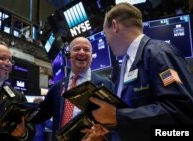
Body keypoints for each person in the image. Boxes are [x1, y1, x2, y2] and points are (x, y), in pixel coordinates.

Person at [86, 2, 193, 141]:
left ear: (115, 26)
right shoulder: (124, 65)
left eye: (106, 35)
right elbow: (134, 114)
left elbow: (182, 114)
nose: (107, 42)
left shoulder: (158, 53)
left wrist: (117, 117)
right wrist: (110, 128)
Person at [31, 36, 115, 140]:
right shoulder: (57, 87)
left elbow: (115, 121)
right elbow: (42, 114)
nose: (81, 52)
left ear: (92, 56)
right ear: (69, 55)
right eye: (76, 49)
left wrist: (103, 135)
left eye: (86, 49)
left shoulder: (106, 85)